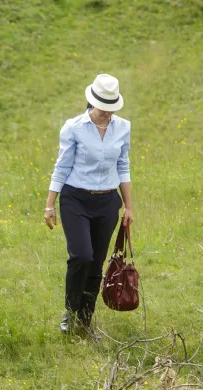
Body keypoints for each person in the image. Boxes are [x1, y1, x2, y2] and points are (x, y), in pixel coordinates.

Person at [44, 74, 134, 340]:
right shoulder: (74, 128)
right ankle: (69, 313)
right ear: (92, 102)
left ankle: (85, 320)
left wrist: (128, 206)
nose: (107, 113)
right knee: (81, 256)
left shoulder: (123, 128)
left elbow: (123, 166)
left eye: (111, 107)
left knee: (96, 263)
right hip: (76, 199)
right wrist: (50, 205)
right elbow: (61, 167)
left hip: (107, 202)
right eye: (103, 106)